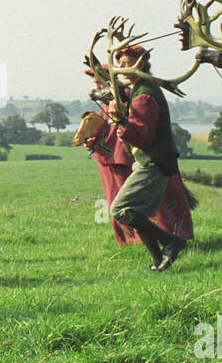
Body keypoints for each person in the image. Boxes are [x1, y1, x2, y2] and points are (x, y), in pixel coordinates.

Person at [84, 68, 195, 247]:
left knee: (150, 205)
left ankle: (171, 239)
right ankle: (141, 244)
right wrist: (91, 142)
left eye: (99, 81)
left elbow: (132, 126)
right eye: (94, 82)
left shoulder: (131, 96)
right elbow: (105, 130)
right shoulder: (108, 102)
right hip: (112, 160)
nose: (96, 86)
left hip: (138, 159)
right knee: (118, 204)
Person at [108, 46, 192, 271]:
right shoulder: (141, 89)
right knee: (136, 212)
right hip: (151, 161)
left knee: (120, 210)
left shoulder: (144, 96)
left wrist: (120, 120)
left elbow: (142, 138)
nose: (122, 68)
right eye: (120, 64)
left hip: (153, 163)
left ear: (142, 64)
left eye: (128, 63)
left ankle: (171, 241)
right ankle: (159, 261)